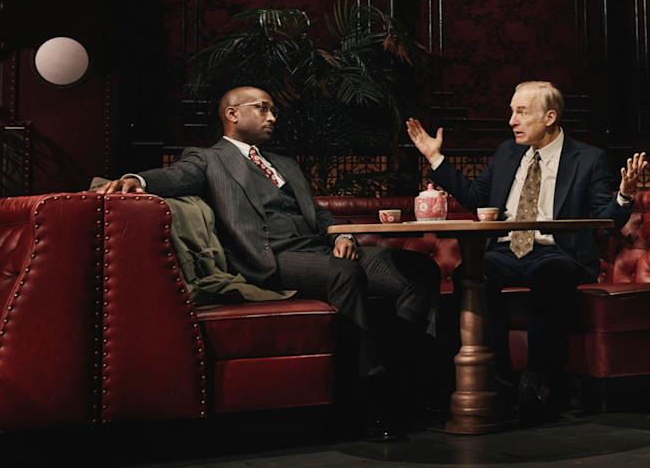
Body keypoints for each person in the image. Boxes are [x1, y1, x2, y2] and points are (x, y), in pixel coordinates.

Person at [98, 86, 440, 441]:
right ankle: (366, 400)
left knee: (418, 270)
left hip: (318, 250)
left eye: (273, 110)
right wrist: (136, 180)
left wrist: (342, 237)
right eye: (262, 109)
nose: (272, 117)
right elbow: (176, 177)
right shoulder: (208, 159)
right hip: (270, 259)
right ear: (232, 114)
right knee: (344, 273)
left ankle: (403, 378)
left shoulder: (285, 164)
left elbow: (318, 214)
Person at [405, 80, 649, 424]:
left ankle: (538, 379)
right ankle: (499, 377)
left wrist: (624, 195)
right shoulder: (507, 153)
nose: (512, 121)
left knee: (551, 275)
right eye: (512, 111)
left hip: (555, 252)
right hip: (505, 250)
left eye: (521, 112)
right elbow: (475, 197)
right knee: (471, 276)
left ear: (549, 117)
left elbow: (606, 218)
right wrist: (434, 157)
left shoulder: (588, 158)